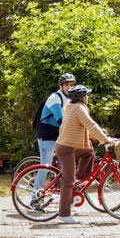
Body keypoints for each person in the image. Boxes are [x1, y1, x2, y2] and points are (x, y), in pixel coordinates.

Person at [54, 84, 117, 224]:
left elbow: (84, 129)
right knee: (67, 182)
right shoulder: (79, 109)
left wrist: (101, 135)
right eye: (86, 95)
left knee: (88, 152)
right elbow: (91, 125)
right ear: (81, 98)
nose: (87, 97)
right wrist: (106, 140)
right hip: (66, 149)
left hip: (68, 145)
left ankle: (80, 180)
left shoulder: (70, 107)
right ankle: (64, 213)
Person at [32, 73, 76, 203]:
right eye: (67, 85)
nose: (69, 87)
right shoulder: (55, 98)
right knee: (45, 166)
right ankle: (35, 197)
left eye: (71, 85)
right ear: (60, 86)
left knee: (65, 168)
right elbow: (60, 119)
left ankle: (66, 198)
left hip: (58, 137)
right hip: (47, 137)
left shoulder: (69, 99)